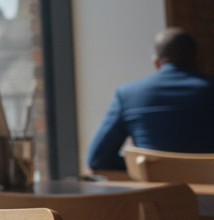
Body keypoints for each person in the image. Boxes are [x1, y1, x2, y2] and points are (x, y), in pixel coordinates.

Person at [85, 27, 214, 172]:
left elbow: (97, 159)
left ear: (156, 62)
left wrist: (143, 164)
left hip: (158, 193)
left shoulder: (128, 95)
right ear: (196, 58)